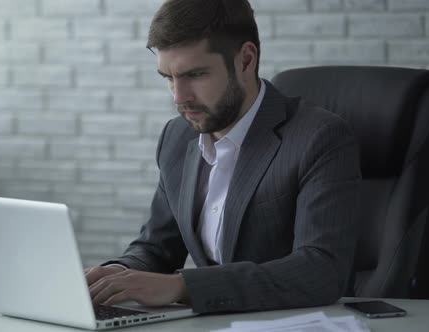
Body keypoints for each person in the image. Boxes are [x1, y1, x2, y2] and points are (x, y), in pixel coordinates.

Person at [85, 0, 361, 313]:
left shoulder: (319, 138)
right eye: (168, 78)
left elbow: (320, 271)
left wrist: (183, 286)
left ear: (245, 60)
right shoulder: (176, 138)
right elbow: (156, 247)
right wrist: (116, 275)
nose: (179, 97)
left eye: (196, 74)